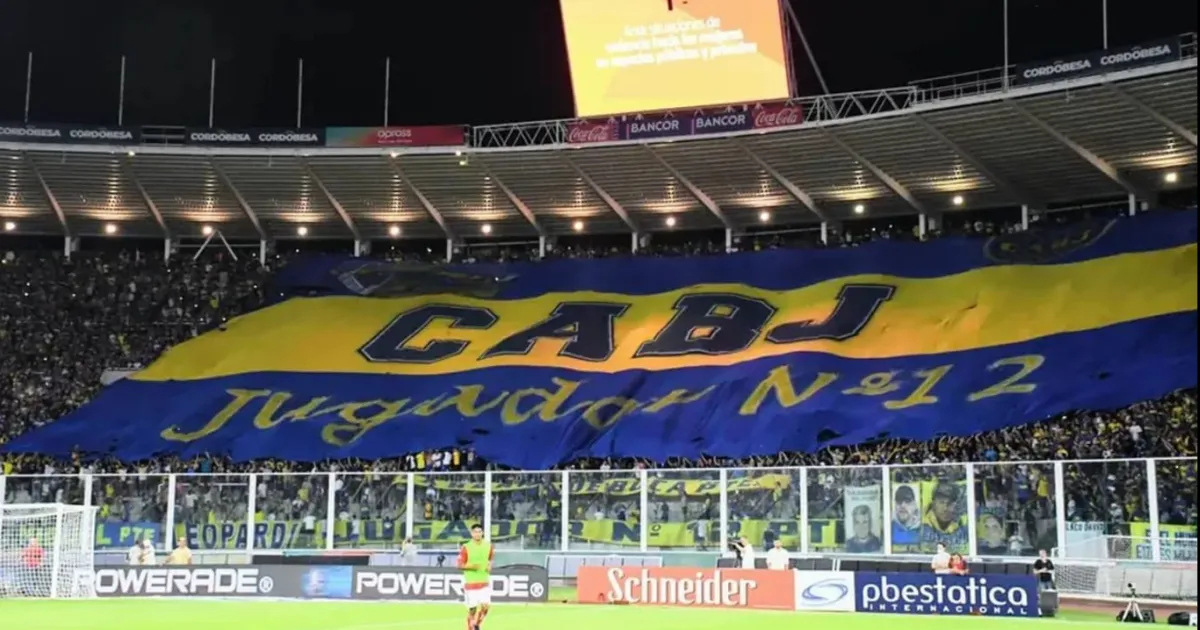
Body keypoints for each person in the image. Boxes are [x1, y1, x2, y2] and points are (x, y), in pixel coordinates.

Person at [457, 523, 493, 630]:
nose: (477, 534)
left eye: (479, 532)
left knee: (486, 606)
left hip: (484, 581)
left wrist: (490, 565)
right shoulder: (466, 547)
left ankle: (476, 624)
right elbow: (459, 565)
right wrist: (471, 566)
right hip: (471, 583)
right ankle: (471, 627)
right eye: (475, 532)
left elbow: (490, 558)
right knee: (472, 610)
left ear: (482, 533)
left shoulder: (488, 546)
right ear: (472, 534)